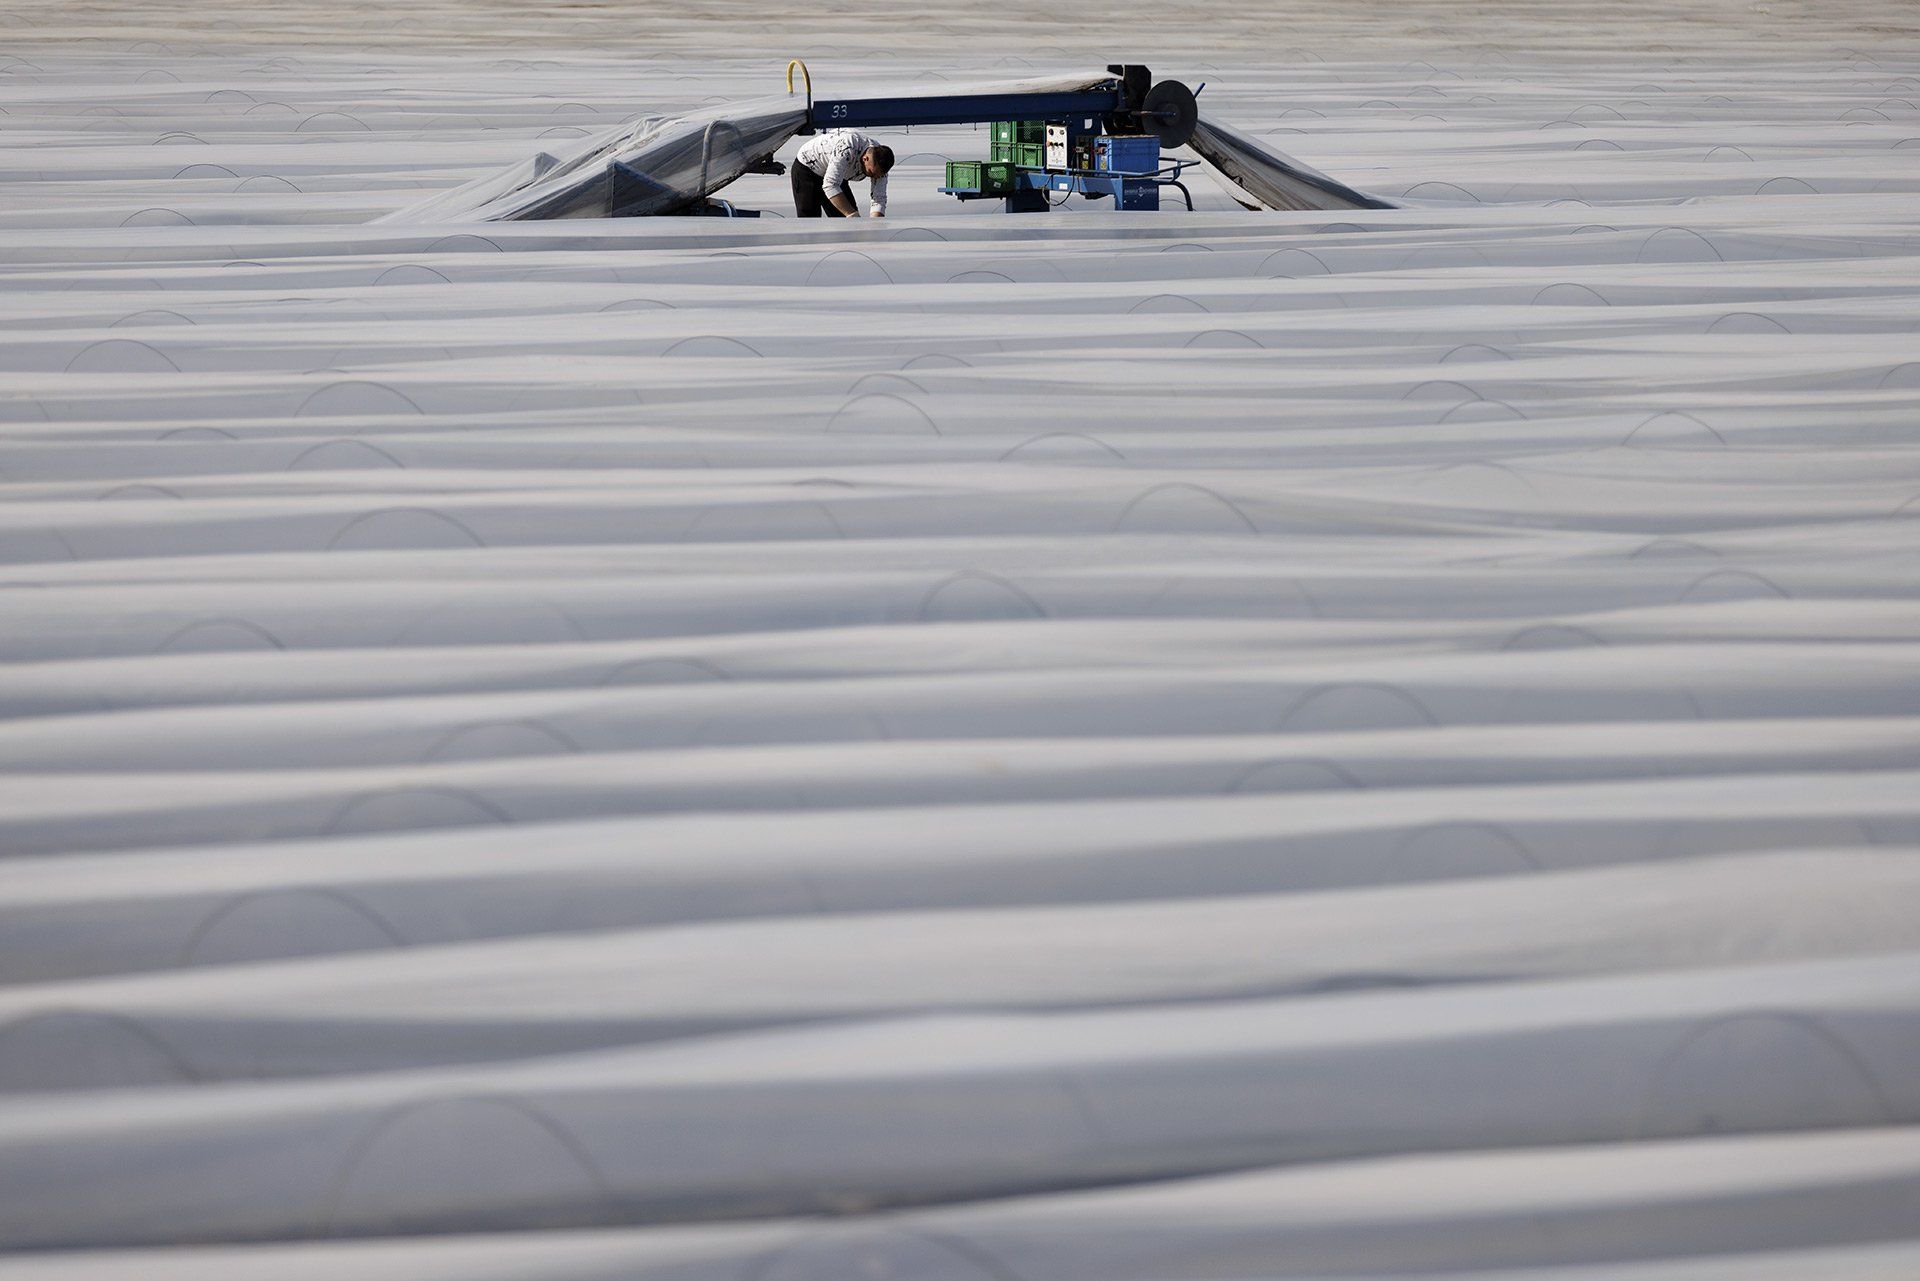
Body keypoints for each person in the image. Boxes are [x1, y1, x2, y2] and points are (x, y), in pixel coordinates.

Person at [791, 130, 893, 218]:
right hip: (807, 169)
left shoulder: (880, 165)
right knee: (810, 221)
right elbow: (830, 185)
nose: (875, 177)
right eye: (871, 173)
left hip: (838, 172)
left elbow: (879, 198)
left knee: (849, 226)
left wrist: (875, 226)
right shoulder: (847, 148)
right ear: (865, 159)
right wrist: (852, 215)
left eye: (878, 176)